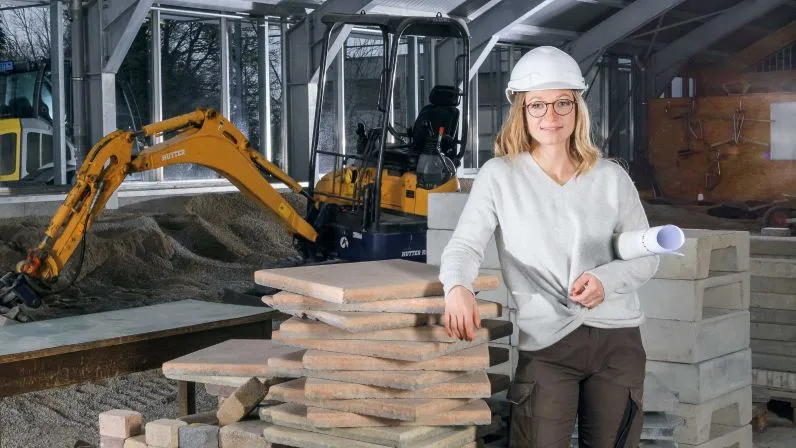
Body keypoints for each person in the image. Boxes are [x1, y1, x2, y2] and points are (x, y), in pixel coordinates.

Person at [438, 46, 660, 448]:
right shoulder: (500, 177)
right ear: (521, 111)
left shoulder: (611, 178)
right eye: (537, 105)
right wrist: (457, 287)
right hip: (548, 346)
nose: (551, 117)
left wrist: (605, 281)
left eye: (562, 103)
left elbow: (645, 255)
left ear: (577, 108)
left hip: (618, 342)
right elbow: (464, 246)